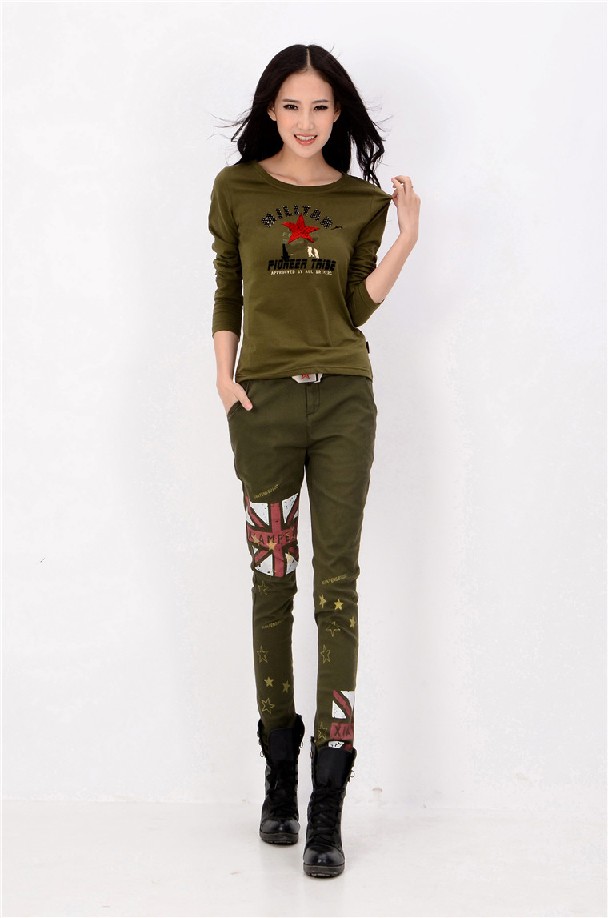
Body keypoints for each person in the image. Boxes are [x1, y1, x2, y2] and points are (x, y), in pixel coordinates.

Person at [208, 43, 420, 878]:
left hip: (342, 405)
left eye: (321, 107)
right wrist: (224, 377)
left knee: (336, 585)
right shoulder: (237, 188)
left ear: (339, 114)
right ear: (271, 108)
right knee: (272, 580)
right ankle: (278, 774)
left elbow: (354, 305)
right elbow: (228, 284)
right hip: (260, 407)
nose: (306, 121)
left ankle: (327, 797)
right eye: (292, 105)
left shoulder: (360, 201)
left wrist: (405, 238)